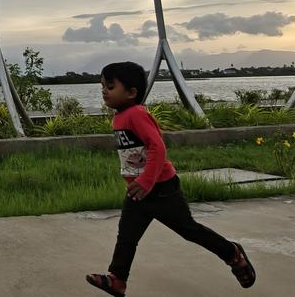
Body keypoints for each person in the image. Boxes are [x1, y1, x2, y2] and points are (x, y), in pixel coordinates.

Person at [85, 61, 256, 296]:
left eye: (110, 86)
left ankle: (232, 253)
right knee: (126, 235)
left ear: (132, 93)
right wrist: (139, 183)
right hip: (138, 191)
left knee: (189, 230)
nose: (104, 91)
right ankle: (117, 279)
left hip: (161, 189)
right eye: (102, 86)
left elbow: (158, 148)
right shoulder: (120, 117)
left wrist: (146, 181)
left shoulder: (136, 114)